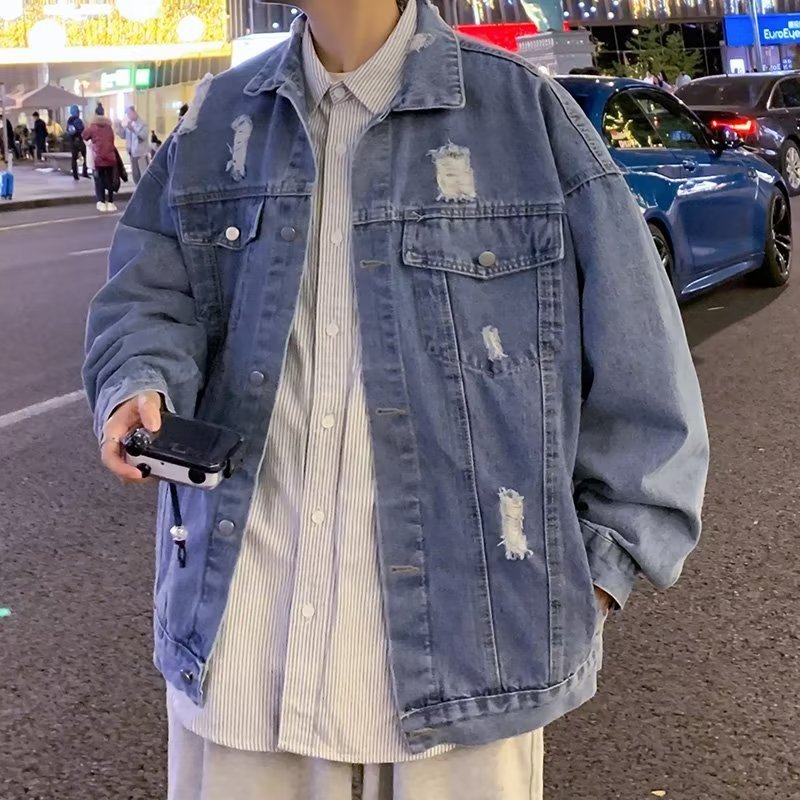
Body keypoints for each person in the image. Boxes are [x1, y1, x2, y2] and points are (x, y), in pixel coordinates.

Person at [83, 1, 709, 798]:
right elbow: (147, 295)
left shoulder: (522, 117)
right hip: (240, 642)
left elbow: (644, 377)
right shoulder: (217, 123)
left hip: (471, 652)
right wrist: (138, 380)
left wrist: (592, 575)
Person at [82, 104, 117, 213]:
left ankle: (101, 202)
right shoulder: (109, 127)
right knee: (110, 180)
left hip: (99, 158)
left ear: (95, 114)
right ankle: (110, 202)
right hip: (110, 157)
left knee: (99, 180)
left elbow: (84, 135)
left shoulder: (93, 127)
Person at [115, 105, 150, 184]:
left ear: (134, 112)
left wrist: (133, 130)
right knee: (135, 175)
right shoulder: (130, 124)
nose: (128, 116)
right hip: (132, 154)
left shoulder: (143, 124)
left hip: (141, 154)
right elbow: (123, 135)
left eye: (129, 114)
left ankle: (143, 189)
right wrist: (119, 127)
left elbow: (143, 136)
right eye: (127, 114)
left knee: (143, 175)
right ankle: (137, 188)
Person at [66, 104, 89, 181]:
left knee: (74, 158)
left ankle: (75, 175)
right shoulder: (78, 120)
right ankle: (84, 172)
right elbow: (82, 130)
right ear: (77, 112)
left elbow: (68, 131)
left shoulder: (69, 121)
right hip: (79, 140)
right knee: (86, 156)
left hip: (72, 141)